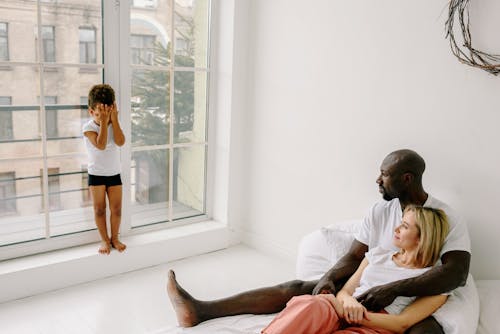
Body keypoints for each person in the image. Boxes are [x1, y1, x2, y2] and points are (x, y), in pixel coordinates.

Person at [166, 149, 473, 333]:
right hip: (357, 299)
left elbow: (455, 274)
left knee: (425, 330)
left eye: (384, 174)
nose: (378, 180)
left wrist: (390, 291)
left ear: (407, 178)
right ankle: (202, 310)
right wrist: (330, 282)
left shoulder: (444, 217)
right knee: (304, 292)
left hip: (401, 302)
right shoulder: (381, 214)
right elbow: (355, 258)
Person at [261, 205, 449, 334]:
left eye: (405, 226)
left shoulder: (434, 280)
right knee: (311, 304)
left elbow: (402, 324)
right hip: (341, 307)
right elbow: (346, 291)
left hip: (373, 325)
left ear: (422, 238)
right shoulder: (378, 255)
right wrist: (346, 303)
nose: (397, 228)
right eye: (400, 222)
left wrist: (352, 315)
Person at [83, 84, 126, 255]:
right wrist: (103, 122)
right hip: (97, 175)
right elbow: (101, 145)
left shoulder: (112, 122)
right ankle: (104, 239)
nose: (104, 118)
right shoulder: (88, 128)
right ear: (91, 112)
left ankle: (115, 237)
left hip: (114, 173)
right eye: (100, 114)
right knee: (99, 209)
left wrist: (113, 120)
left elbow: (121, 141)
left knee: (117, 209)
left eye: (107, 114)